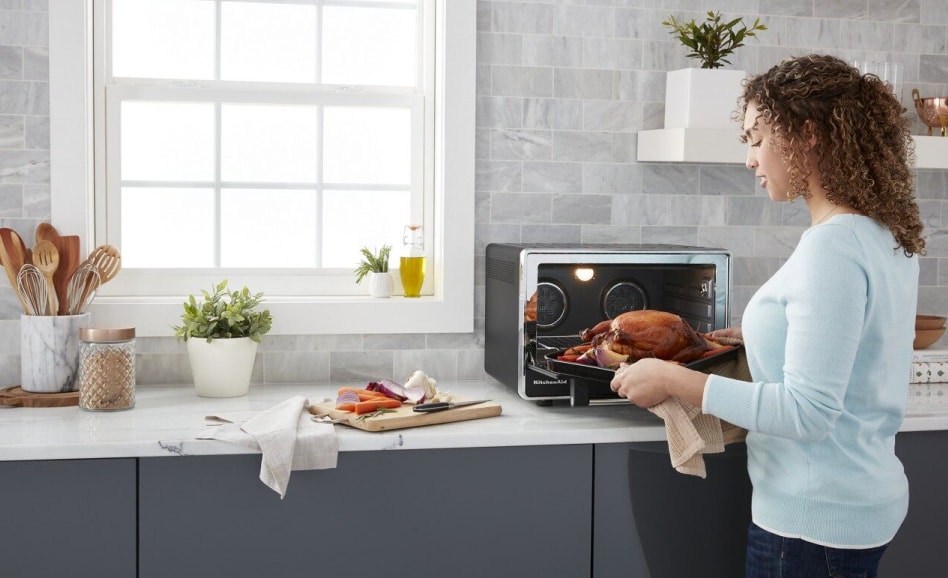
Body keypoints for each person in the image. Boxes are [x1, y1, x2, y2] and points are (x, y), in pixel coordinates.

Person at [611, 54, 925, 577]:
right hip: (859, 501)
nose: (751, 159)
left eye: (757, 138)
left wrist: (672, 376)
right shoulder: (883, 236)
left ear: (807, 135)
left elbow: (807, 412)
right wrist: (760, 334)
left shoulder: (834, 247)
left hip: (812, 522)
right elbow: (853, 342)